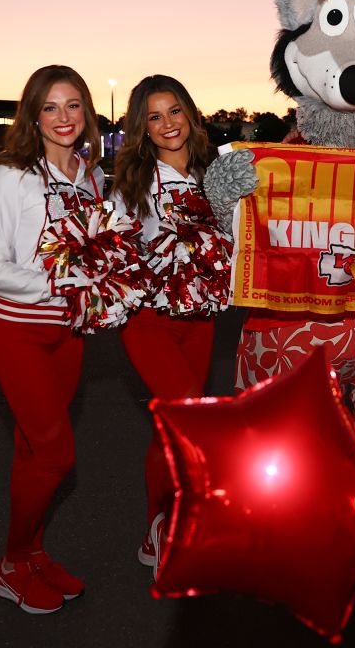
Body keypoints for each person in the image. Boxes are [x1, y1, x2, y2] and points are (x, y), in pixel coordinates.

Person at [0, 64, 105, 613]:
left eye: (73, 105)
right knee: (56, 456)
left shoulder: (91, 175)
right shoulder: (13, 175)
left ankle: (31, 554)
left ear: (87, 111)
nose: (63, 117)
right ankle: (9, 564)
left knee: (32, 453)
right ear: (32, 114)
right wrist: (62, 282)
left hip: (69, 336)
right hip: (20, 335)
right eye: (50, 107)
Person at [108, 75, 224, 576]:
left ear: (190, 113)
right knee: (186, 421)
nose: (167, 124)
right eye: (154, 117)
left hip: (199, 319)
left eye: (174, 111)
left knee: (168, 428)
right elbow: (110, 248)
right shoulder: (132, 182)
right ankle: (172, 527)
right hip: (149, 318)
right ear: (142, 128)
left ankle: (157, 528)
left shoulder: (215, 170)